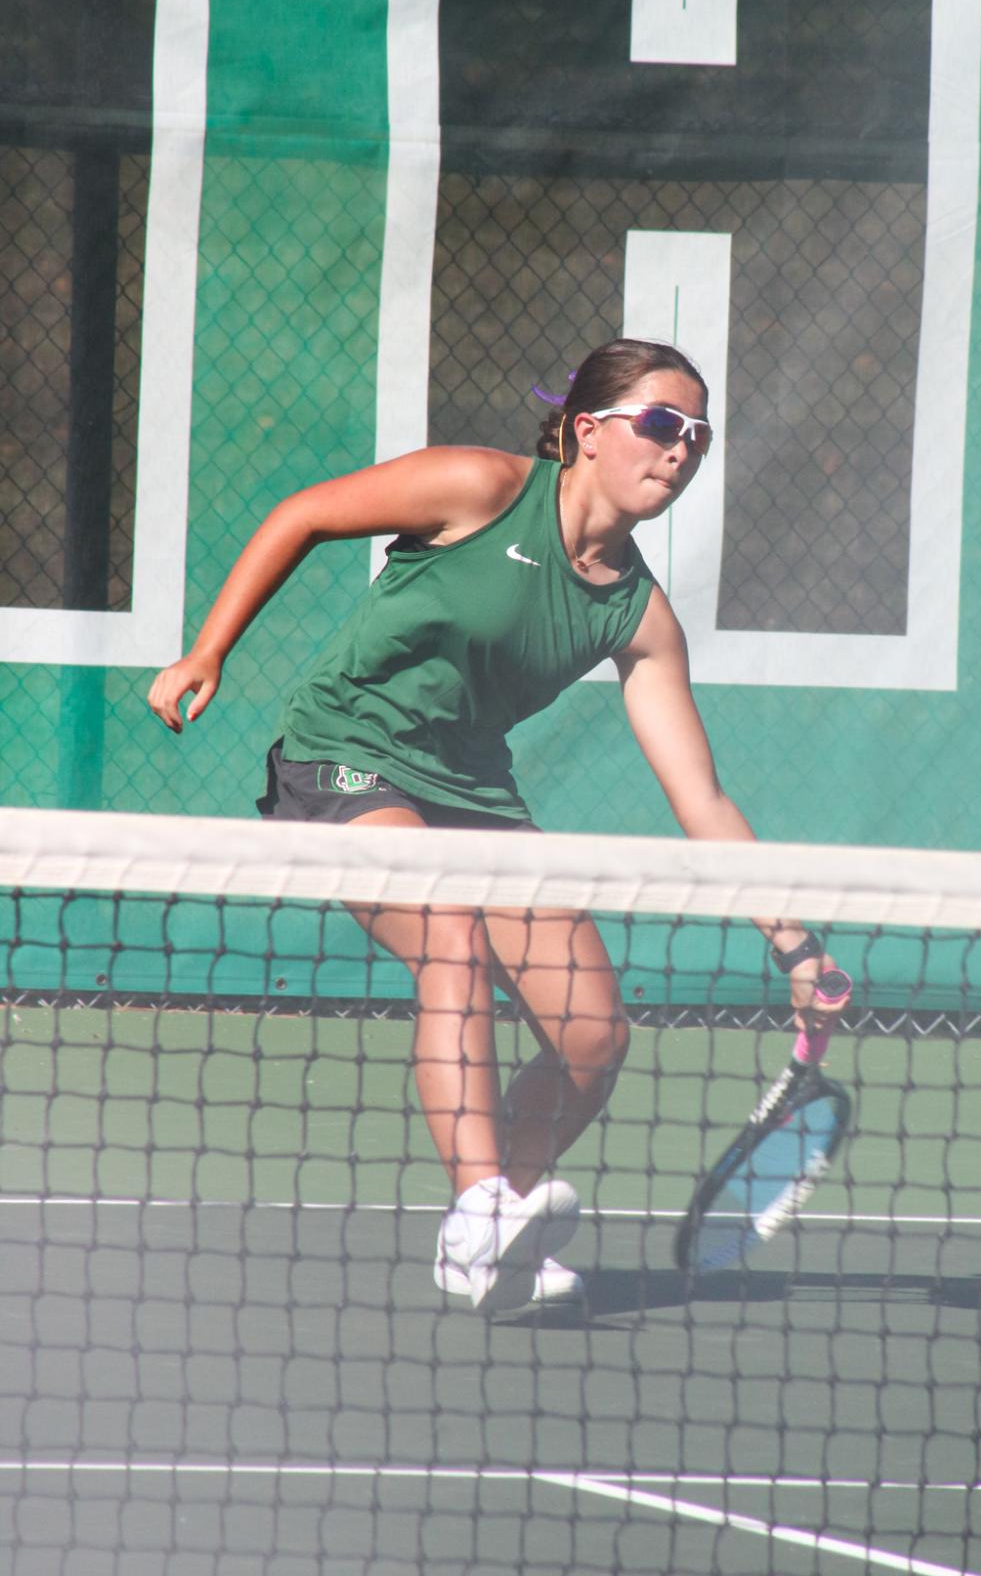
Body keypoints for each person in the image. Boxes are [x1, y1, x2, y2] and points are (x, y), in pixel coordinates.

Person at [147, 338, 847, 1315]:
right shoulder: (477, 486)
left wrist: (797, 949)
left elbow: (703, 802)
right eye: (658, 425)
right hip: (341, 757)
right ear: (587, 432)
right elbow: (303, 514)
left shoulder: (637, 616)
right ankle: (477, 1207)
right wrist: (206, 651)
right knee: (449, 934)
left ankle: (503, 1228)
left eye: (698, 435)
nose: (678, 450)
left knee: (593, 1037)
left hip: (473, 797)